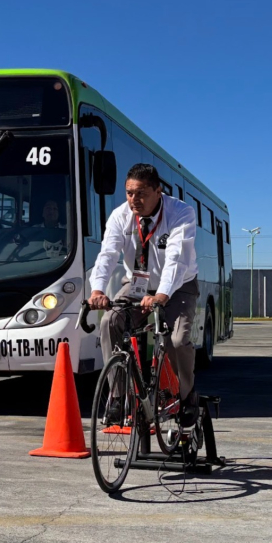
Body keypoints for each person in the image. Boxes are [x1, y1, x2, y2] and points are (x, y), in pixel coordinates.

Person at [88, 163, 200, 428]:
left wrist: (162, 296)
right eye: (128, 193)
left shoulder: (181, 213)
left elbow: (176, 259)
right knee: (110, 322)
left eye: (140, 193)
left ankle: (186, 397)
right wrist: (98, 289)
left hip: (179, 284)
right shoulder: (120, 216)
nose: (133, 200)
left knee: (177, 338)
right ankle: (117, 397)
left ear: (158, 191)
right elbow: (107, 255)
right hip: (138, 283)